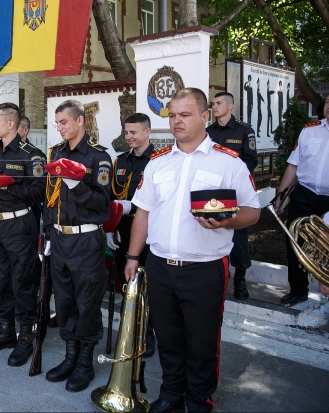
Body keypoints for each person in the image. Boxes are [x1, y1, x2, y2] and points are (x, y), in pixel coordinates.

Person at [126, 88, 260, 413]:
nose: (176, 121)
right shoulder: (157, 163)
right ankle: (172, 393)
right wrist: (132, 256)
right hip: (159, 266)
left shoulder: (229, 162)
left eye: (184, 114)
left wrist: (228, 220)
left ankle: (199, 400)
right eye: (172, 115)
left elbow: (252, 210)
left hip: (204, 269)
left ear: (204, 117)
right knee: (168, 338)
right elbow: (142, 212)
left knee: (201, 343)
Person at [42, 100, 112, 392]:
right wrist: (47, 233)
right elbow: (48, 198)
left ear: (80, 121)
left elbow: (103, 204)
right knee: (65, 300)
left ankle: (85, 362)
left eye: (64, 122)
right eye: (57, 123)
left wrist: (77, 184)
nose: (60, 128)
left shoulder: (98, 157)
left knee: (87, 302)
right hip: (59, 237)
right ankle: (70, 356)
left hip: (86, 239)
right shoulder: (56, 153)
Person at [0, 103, 45, 367]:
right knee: (1, 280)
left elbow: (40, 193)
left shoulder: (32, 155)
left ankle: (26, 335)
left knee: (22, 281)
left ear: (11, 124)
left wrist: (10, 185)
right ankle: (6, 331)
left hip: (20, 225)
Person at [107, 112, 156, 357]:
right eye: (126, 132)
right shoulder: (120, 162)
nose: (129, 137)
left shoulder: (158, 161)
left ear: (148, 132)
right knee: (127, 284)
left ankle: (147, 334)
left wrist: (132, 207)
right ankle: (129, 330)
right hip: (123, 229)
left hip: (149, 230)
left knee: (147, 285)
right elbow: (112, 195)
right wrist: (111, 227)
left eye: (134, 132)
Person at [274, 94, 329, 306]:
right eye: (328, 102)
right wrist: (281, 197)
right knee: (295, 241)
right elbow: (293, 165)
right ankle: (298, 290)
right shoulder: (310, 130)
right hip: (304, 194)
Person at [206, 92, 258, 301]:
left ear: (230, 106)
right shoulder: (208, 131)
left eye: (219, 103)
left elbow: (251, 161)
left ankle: (240, 280)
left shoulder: (244, 131)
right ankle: (216, 276)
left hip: (234, 192)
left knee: (239, 234)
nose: (215, 107)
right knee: (212, 229)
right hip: (211, 192)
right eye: (213, 104)